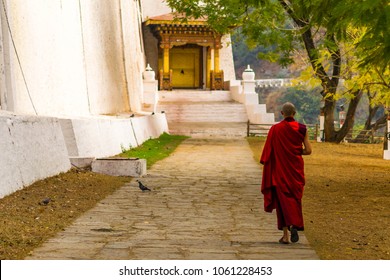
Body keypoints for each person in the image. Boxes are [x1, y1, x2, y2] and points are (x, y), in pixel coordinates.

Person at [260, 102, 312, 244]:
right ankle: (295, 224)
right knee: (295, 200)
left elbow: (268, 152)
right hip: (295, 170)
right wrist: (295, 151)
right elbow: (308, 150)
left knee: (282, 202)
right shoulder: (302, 129)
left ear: (282, 113)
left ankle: (285, 235)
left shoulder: (275, 129)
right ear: (294, 114)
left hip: (280, 171)